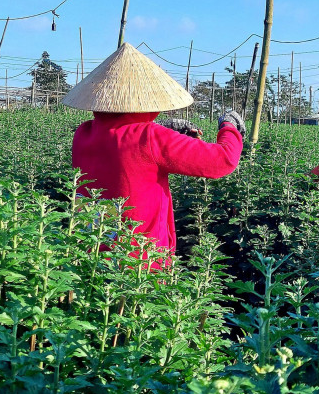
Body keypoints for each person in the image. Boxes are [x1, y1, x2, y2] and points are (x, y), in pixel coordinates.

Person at [63, 42, 244, 268]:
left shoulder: (83, 133)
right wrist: (230, 127)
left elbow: (123, 141)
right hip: (139, 266)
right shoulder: (149, 137)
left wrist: (165, 129)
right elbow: (222, 160)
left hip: (89, 256)